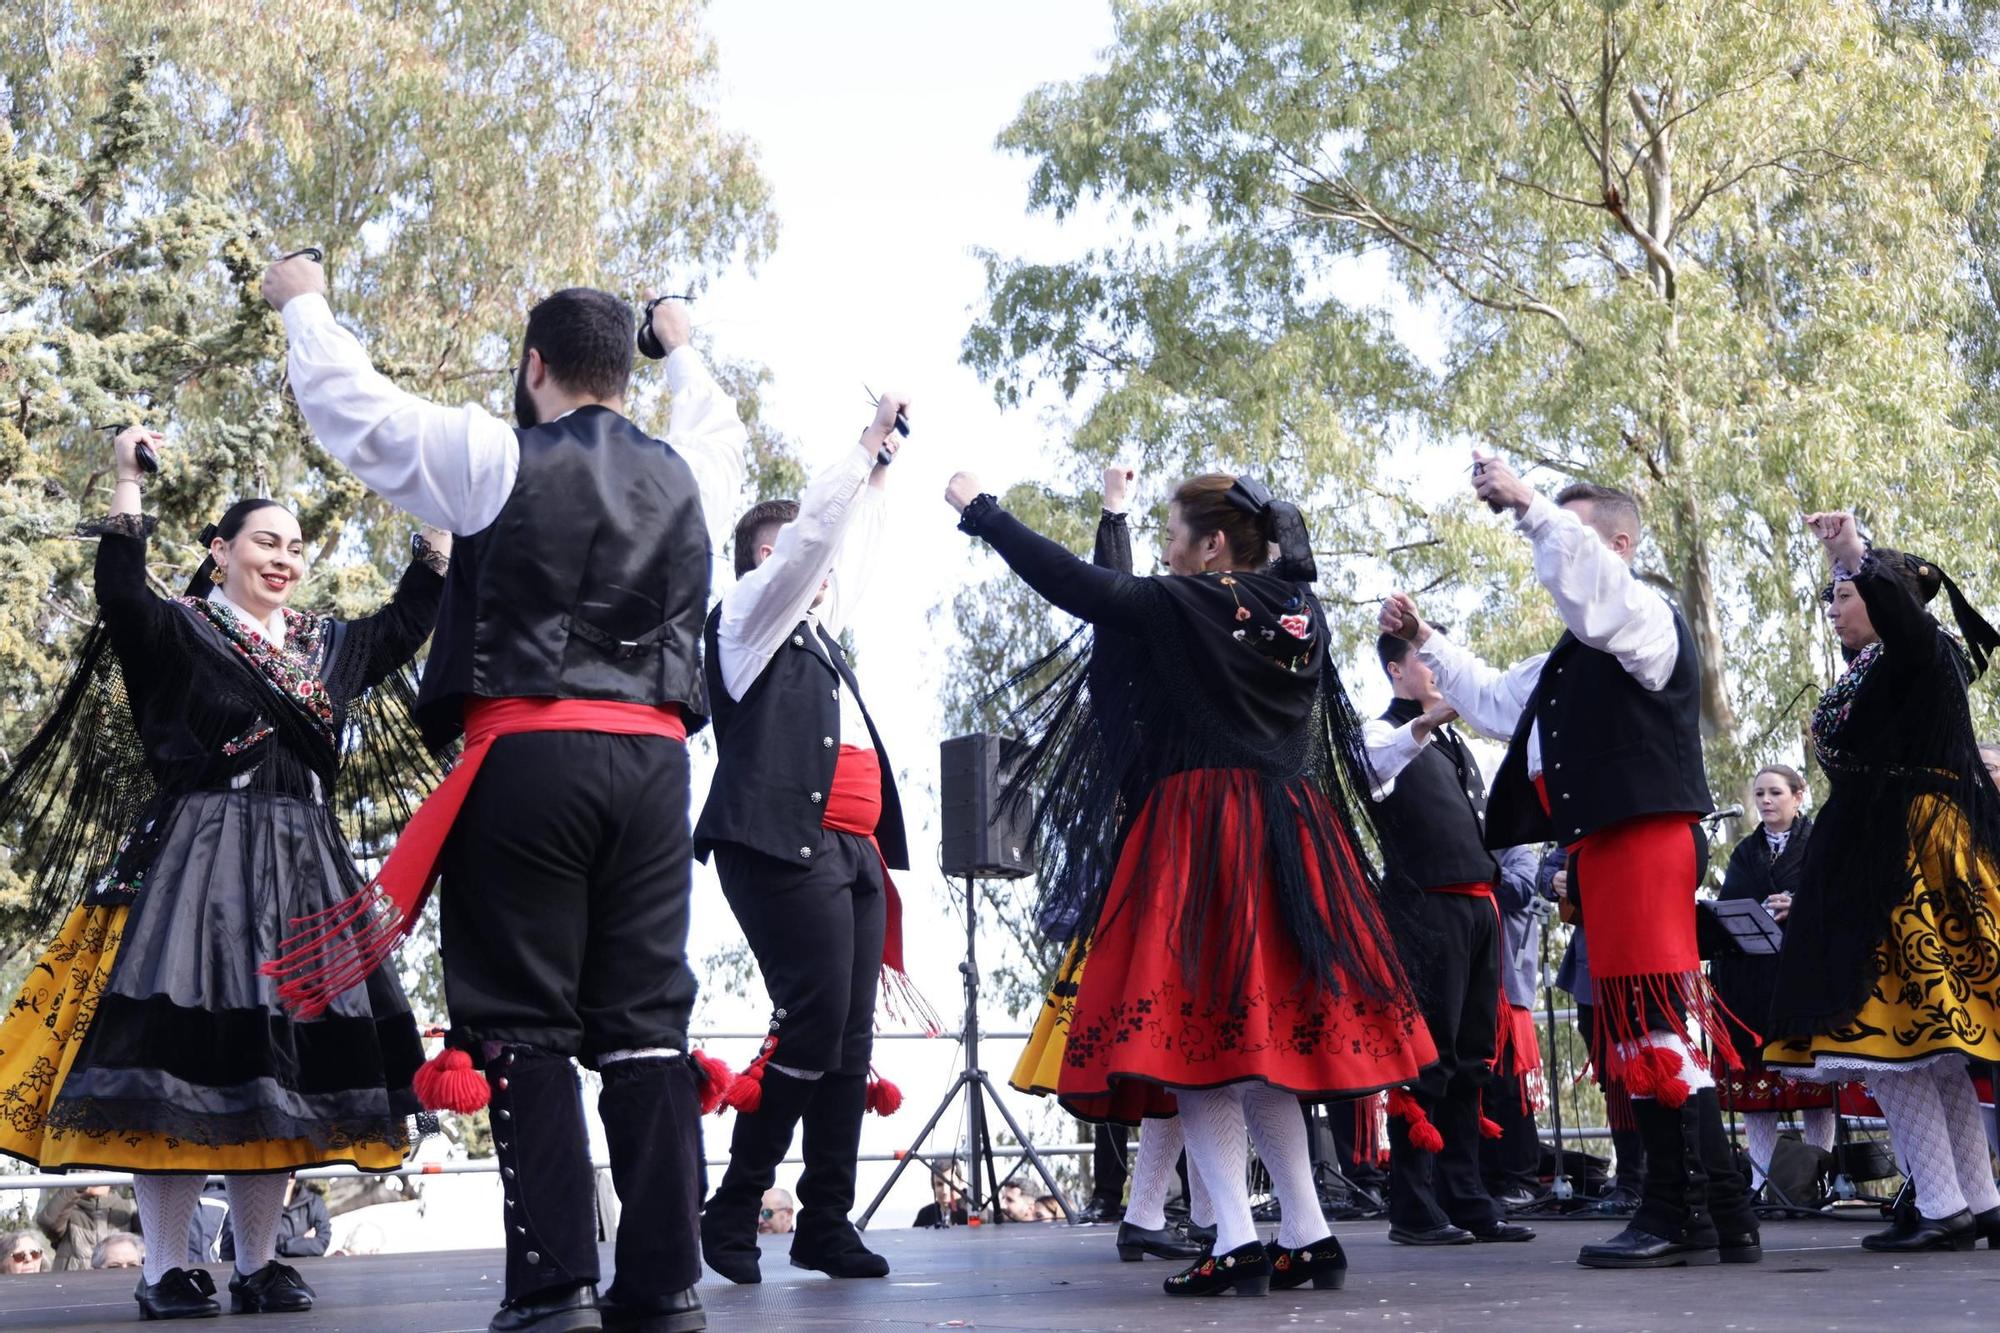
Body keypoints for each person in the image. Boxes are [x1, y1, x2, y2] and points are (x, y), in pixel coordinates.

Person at [262, 254, 748, 1333]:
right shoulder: (694, 473)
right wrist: (684, 339)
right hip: (655, 767)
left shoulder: (495, 458)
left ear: (534, 368)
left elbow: (355, 411)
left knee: (524, 1022)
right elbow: (719, 418)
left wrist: (303, 301)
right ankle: (665, 1285)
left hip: (531, 758)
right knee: (645, 1022)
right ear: (623, 370)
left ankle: (554, 1284)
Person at [951, 466, 1436, 1298]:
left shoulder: (1194, 600)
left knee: (1194, 1039)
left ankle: (1238, 1238)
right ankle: (1309, 1231)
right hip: (1291, 831)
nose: (1166, 551)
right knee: (1258, 1049)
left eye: (1174, 535)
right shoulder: (1301, 610)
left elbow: (1080, 586)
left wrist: (981, 512)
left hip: (1205, 830)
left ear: (1214, 545)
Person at [0, 423, 448, 1318]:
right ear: (222, 551)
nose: (283, 557)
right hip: (197, 874)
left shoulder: (327, 648)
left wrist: (439, 523)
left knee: (276, 1070)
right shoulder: (181, 630)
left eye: (293, 545)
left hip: (303, 871)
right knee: (183, 1063)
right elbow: (123, 596)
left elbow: (405, 621)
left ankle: (257, 1261)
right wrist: (126, 481)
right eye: (264, 541)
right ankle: (163, 1267)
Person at [1382, 455, 1757, 1270]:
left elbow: (1591, 594)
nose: (1555, 552)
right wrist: (1424, 641)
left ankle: (1677, 1210)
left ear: (1618, 545)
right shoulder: (1575, 657)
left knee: (1654, 1023)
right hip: (1608, 845)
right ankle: (1717, 1208)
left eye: (1575, 536)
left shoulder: (1646, 619)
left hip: (1643, 839)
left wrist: (1525, 503)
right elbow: (1487, 698)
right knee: (1642, 1028)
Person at [694, 405, 913, 1286]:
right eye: (795, 555)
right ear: (762, 560)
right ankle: (737, 1204)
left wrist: (880, 477)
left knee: (848, 1040)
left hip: (850, 851)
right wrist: (855, 450)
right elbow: (819, 540)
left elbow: (845, 553)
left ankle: (826, 1220)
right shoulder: (745, 617)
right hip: (782, 842)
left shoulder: (817, 637)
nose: (818, 571)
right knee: (815, 1019)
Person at [1763, 512, 2000, 1251]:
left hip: (1896, 857)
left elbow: (1902, 613)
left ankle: (1942, 1204)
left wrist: (1851, 550)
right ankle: (1976, 1200)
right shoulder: (1881, 666)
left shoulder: (1920, 650)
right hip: (1887, 846)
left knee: (1886, 1029)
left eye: (1845, 594)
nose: (1834, 608)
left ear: (1886, 595)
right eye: (1833, 594)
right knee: (1929, 1041)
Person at [1005, 464, 1204, 1271]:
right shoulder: (1130, 681)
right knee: (1181, 1047)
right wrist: (1114, 516)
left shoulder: (1175, 668)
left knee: (1186, 1052)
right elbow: (1111, 601)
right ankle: (1177, 1213)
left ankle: (1150, 1210)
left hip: (1184, 867)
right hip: (1160, 874)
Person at [1364, 633, 1535, 1247]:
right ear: (1395, 669)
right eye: (1423, 660)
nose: (1437, 670)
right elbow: (1371, 769)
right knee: (1424, 1058)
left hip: (1477, 909)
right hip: (1424, 908)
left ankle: (1467, 1196)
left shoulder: (1457, 744)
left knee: (1471, 1061)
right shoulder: (1377, 731)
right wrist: (1426, 723)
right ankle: (1412, 1205)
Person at [1711, 765, 1835, 1195]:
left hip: (1804, 978)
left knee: (1815, 1083)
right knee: (1753, 1082)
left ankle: (1820, 1174)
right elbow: (1729, 905)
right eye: (1759, 793)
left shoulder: (1821, 841)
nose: (1765, 801)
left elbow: (1838, 893)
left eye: (1775, 792)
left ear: (1799, 796)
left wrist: (1797, 903)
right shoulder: (1745, 851)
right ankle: (1762, 1180)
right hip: (1751, 983)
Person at [1548, 851, 1645, 1213]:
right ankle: (1631, 1177)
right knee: (1610, 1074)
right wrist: (1554, 881)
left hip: (1634, 956)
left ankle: (1641, 1179)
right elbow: (1553, 861)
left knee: (1638, 1074)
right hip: (1592, 963)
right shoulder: (1581, 821)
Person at [1482, 843, 1550, 1209]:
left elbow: (1521, 889)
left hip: (1508, 994)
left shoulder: (1519, 853)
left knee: (1512, 1091)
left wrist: (1475, 863)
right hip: (1476, 994)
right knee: (1481, 1092)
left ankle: (1522, 1180)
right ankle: (1489, 1179)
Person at [221, 1178, 331, 1263]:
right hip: (266, 1273)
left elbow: (321, 1244)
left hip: (306, 1272)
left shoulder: (314, 1202)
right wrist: (300, 1241)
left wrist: (269, 1243)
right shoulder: (253, 1202)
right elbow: (243, 1243)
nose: (288, 1172)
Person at [33, 1187, 137, 1273]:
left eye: (100, 1169)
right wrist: (75, 1186)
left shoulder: (129, 1209)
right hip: (72, 1290)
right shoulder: (66, 1210)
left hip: (120, 1288)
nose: (95, 1173)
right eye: (89, 1169)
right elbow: (47, 1222)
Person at [913, 1162, 969, 1228]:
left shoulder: (972, 1212)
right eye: (939, 1184)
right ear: (933, 1186)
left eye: (950, 1184)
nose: (945, 1191)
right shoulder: (925, 1215)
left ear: (961, 1183)